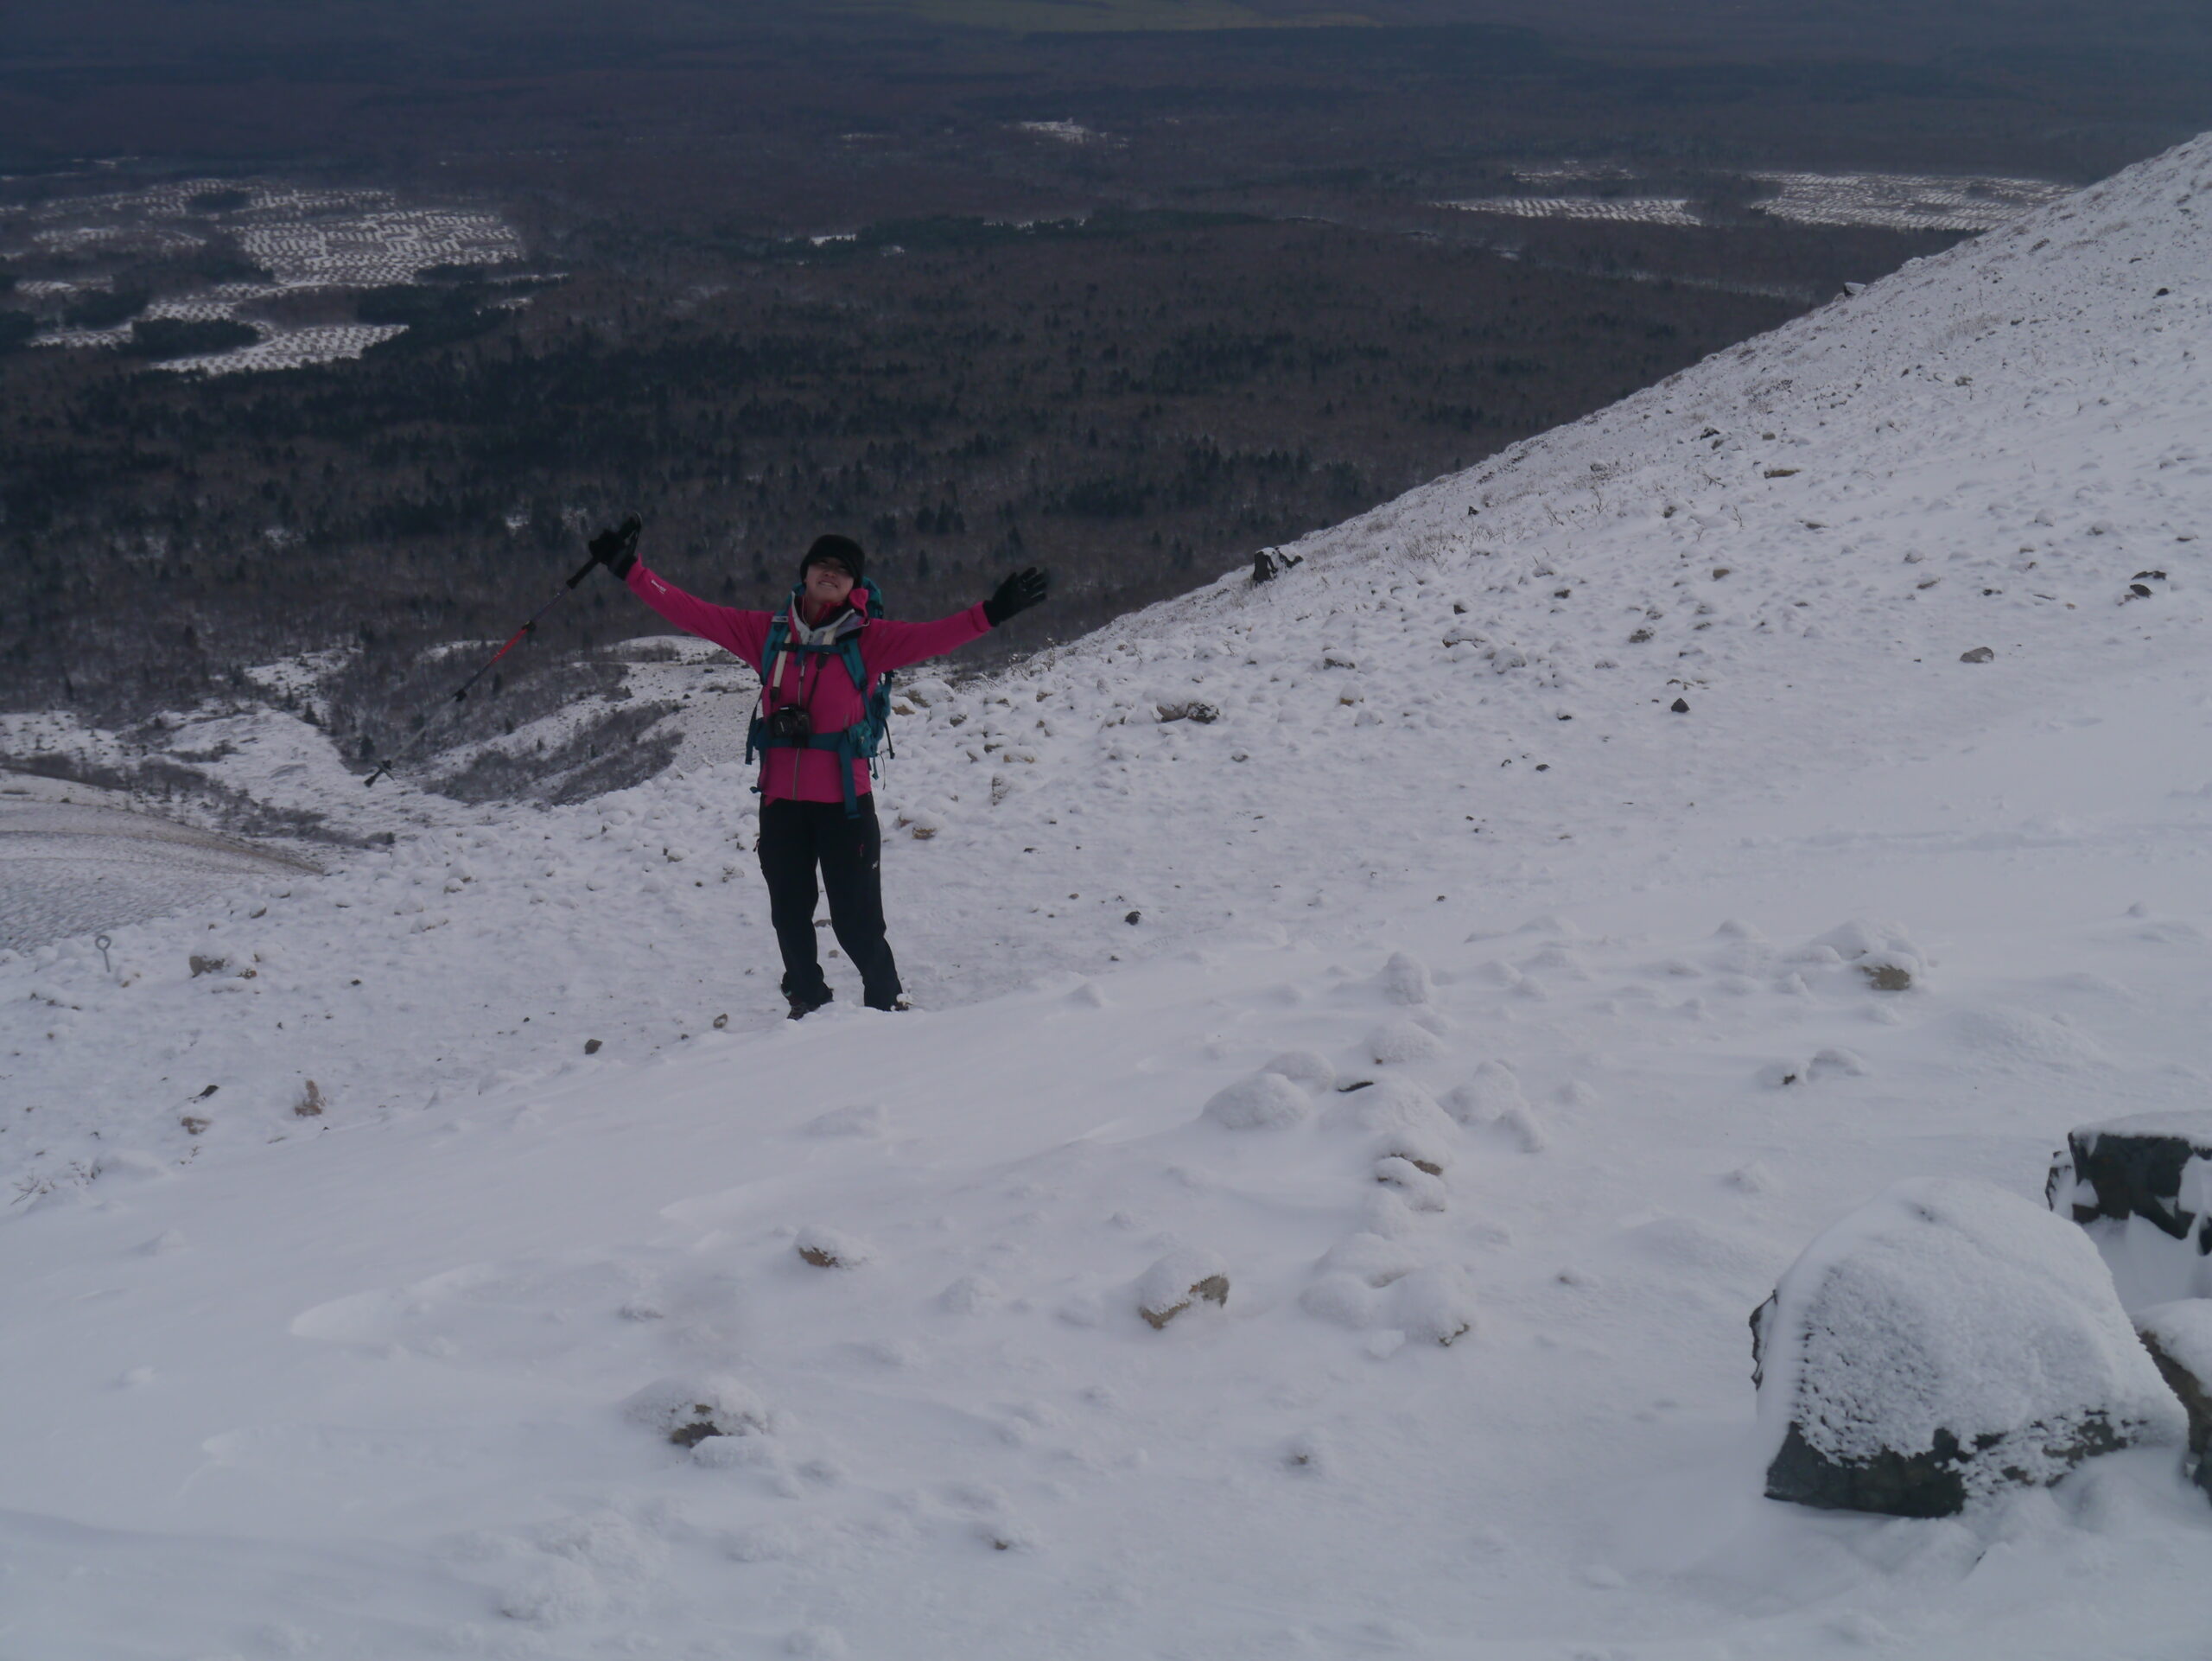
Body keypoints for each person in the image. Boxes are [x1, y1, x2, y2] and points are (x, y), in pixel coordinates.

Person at [588, 520, 1049, 1018]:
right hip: (781, 804)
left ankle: (887, 1003)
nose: (831, 574)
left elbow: (935, 637)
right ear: (805, 573)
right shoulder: (766, 635)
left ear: (856, 586)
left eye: (843, 571)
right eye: (823, 565)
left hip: (844, 807)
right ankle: (807, 1001)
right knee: (789, 915)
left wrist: (994, 613)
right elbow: (691, 612)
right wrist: (629, 570)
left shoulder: (869, 640)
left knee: (856, 922)